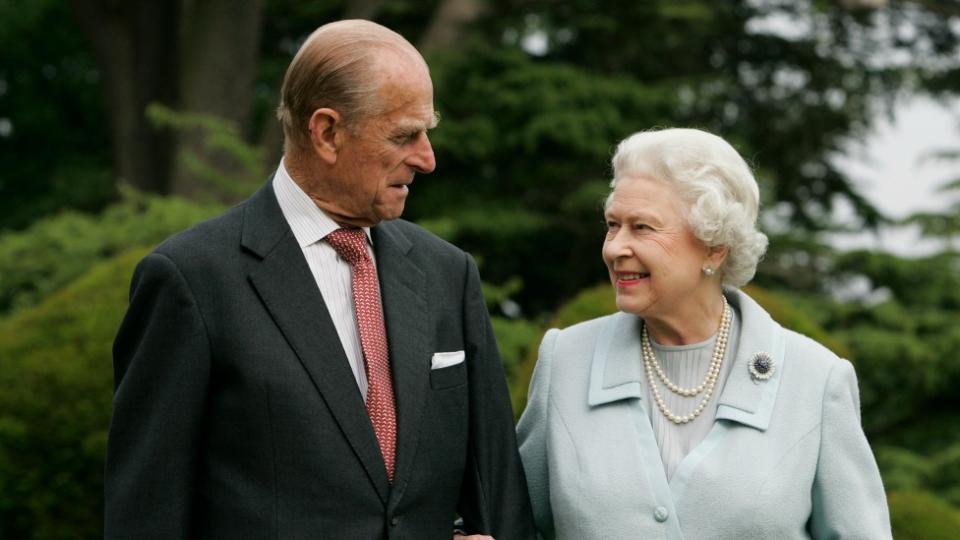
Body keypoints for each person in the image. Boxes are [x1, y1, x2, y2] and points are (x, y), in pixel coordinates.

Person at [105, 20, 534, 539]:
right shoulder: (191, 281)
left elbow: (501, 500)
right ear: (327, 132)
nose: (427, 158)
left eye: (428, 132)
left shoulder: (448, 274)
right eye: (405, 135)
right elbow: (145, 517)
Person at [517, 128, 891, 539]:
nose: (614, 248)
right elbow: (510, 521)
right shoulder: (566, 360)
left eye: (642, 227)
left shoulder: (816, 380)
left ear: (715, 246)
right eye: (612, 224)